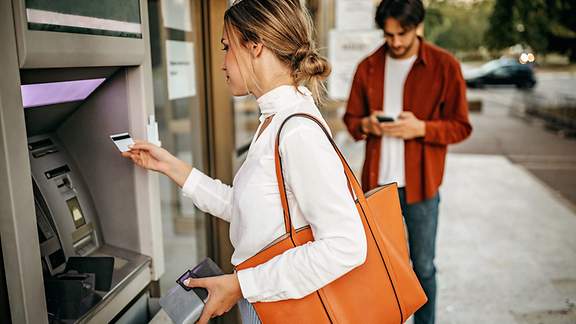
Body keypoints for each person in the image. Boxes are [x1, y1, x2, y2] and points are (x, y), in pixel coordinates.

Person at [123, 1, 367, 323]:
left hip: (286, 308)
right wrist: (171, 166)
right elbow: (248, 209)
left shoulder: (295, 132)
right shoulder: (275, 119)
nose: (222, 62)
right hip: (268, 302)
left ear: (255, 46)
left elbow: (346, 244)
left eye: (226, 47)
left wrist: (240, 284)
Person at [343, 1, 472, 323]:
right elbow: (351, 119)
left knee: (423, 266)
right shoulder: (368, 66)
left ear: (418, 27)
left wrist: (422, 128)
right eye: (389, 35)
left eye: (403, 34)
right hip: (377, 188)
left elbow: (461, 126)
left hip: (422, 187)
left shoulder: (445, 66)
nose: (396, 42)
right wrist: (366, 125)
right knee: (378, 267)